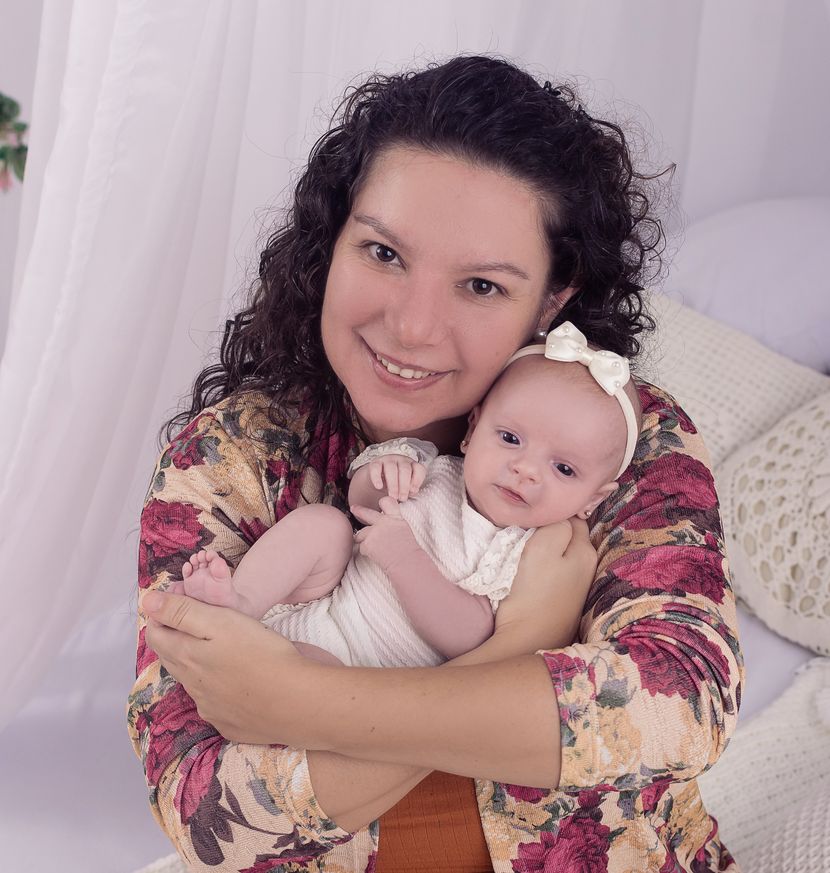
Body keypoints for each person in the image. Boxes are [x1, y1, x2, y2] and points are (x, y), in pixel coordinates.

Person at [130, 55, 743, 872]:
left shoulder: (624, 442)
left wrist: (299, 701)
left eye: (482, 285)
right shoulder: (233, 454)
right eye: (383, 253)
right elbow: (206, 812)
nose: (413, 326)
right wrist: (527, 638)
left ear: (553, 299)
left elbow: (682, 706)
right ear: (331, 241)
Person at [174, 326, 639, 669]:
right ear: (473, 429)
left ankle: (246, 654)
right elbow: (361, 506)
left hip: (359, 672)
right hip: (317, 602)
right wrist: (381, 477)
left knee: (311, 672)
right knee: (324, 525)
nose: (525, 469)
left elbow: (471, 638)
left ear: (592, 499)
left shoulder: (527, 551)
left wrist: (405, 560)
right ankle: (241, 603)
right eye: (510, 439)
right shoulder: (432, 467)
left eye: (563, 469)